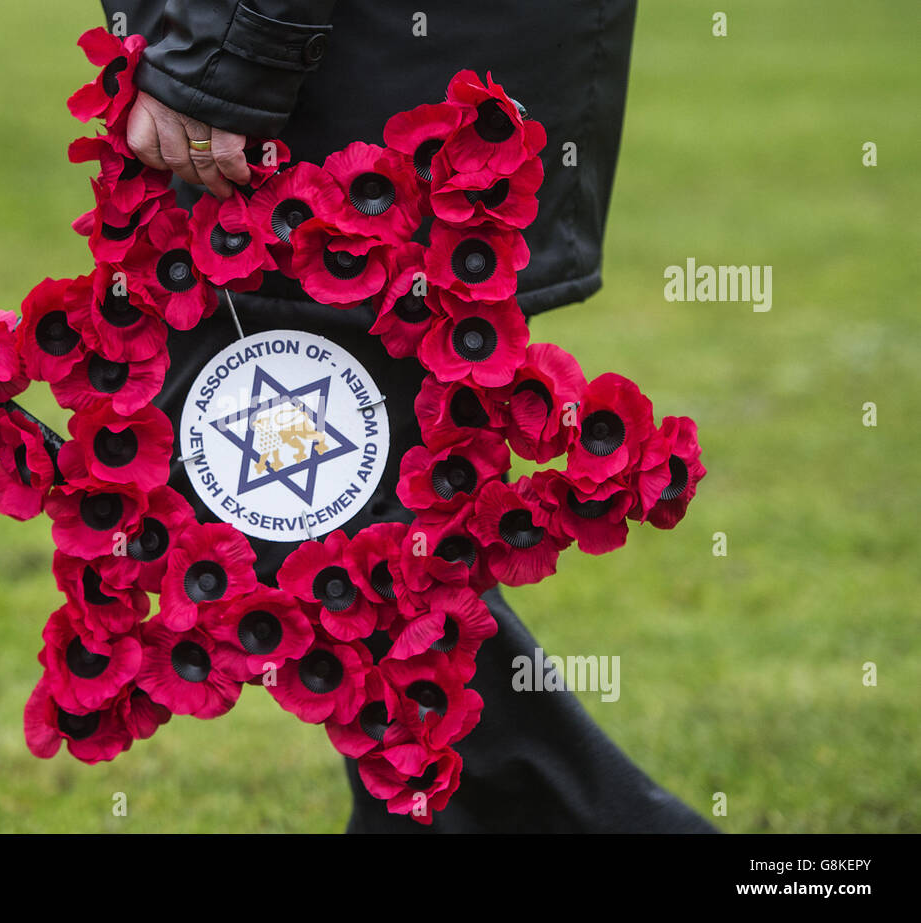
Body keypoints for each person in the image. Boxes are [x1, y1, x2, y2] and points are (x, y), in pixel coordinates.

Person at [99, 0, 716, 833]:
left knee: (312, 519)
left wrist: (219, 67)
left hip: (356, 78)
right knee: (357, 531)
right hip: (391, 62)